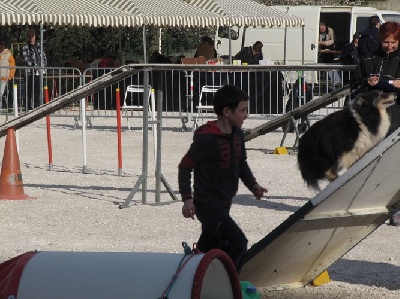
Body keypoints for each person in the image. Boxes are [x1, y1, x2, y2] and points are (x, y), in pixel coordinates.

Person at [178, 85, 267, 273]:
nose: (246, 115)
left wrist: (253, 186)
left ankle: (193, 279)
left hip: (225, 202)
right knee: (237, 242)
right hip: (207, 205)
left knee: (210, 246)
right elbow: (184, 167)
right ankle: (228, 287)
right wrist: (187, 199)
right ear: (227, 111)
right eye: (243, 110)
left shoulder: (238, 135)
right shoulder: (206, 140)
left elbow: (241, 163)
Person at [22, 29, 47, 110]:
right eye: (29, 36)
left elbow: (44, 57)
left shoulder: (40, 46)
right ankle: (27, 107)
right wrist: (37, 67)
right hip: (29, 73)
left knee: (37, 91)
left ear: (35, 36)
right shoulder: (25, 47)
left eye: (32, 36)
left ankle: (37, 107)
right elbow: (27, 60)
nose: (30, 38)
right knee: (28, 91)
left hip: (39, 73)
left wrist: (43, 67)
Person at [0, 39, 15, 110]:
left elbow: (12, 66)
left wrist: (10, 76)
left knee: (1, 92)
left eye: (3, 44)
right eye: (0, 44)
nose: (1, 46)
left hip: (4, 77)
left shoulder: (8, 54)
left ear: (5, 46)